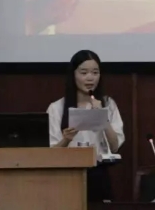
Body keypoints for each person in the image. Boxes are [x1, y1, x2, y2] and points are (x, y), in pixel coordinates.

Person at [47, 50, 124, 202]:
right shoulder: (56, 108)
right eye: (84, 72)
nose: (90, 78)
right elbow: (50, 154)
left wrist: (102, 116)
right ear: (73, 75)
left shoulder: (108, 104)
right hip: (67, 174)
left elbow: (115, 147)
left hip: (99, 173)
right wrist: (66, 139)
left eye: (95, 72)